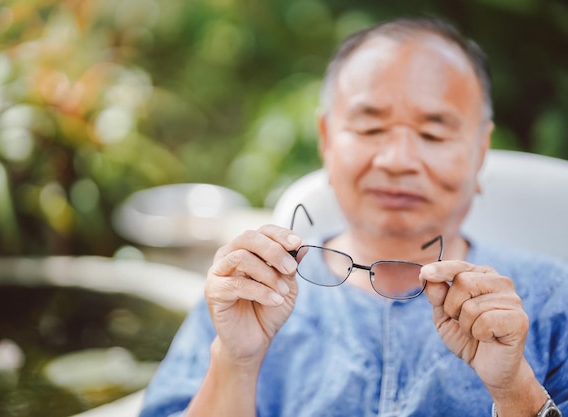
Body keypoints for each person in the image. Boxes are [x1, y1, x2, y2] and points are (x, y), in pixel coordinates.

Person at [139, 16, 568, 417]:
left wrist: (515, 389)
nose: (398, 160)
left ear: (480, 151)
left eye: (433, 132)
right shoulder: (250, 292)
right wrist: (235, 360)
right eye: (370, 128)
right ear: (327, 141)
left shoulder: (550, 299)